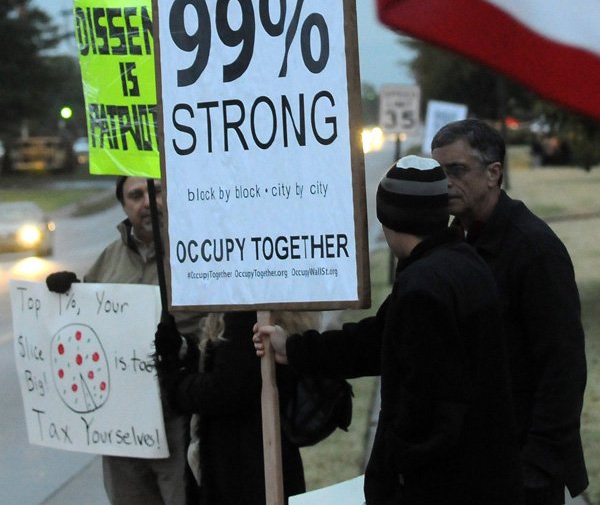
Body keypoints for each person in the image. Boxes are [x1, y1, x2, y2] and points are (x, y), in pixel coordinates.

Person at [254, 156, 524, 505]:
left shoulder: (423, 285)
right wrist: (293, 348)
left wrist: (398, 467)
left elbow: (430, 400)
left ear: (390, 222)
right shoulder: (461, 261)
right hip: (484, 472)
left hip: (443, 485)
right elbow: (379, 339)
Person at [431, 119, 588, 505]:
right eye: (439, 172)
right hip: (470, 463)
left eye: (457, 170)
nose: (445, 182)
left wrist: (537, 465)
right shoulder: (449, 243)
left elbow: (563, 366)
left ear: (493, 173)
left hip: (523, 470)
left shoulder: (533, 249)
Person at [46, 176, 200, 505]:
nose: (147, 202)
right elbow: (81, 334)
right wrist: (66, 296)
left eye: (155, 190)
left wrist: (184, 349)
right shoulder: (109, 259)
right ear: (123, 206)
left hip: (180, 422)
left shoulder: (197, 254)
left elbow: (219, 330)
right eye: (135, 195)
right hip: (122, 430)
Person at [154, 309, 320, 505]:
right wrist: (184, 353)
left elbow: (226, 387)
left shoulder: (245, 314)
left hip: (245, 463)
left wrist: (175, 381)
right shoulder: (249, 312)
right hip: (250, 455)